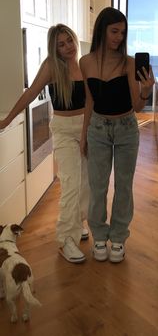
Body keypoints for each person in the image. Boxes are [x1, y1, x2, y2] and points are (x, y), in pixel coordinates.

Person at [0, 24, 90, 264]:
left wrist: (90, 131)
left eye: (69, 40)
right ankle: (65, 240)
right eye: (61, 44)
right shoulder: (52, 67)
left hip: (86, 127)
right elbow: (30, 94)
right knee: (71, 182)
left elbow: (92, 100)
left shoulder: (83, 64)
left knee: (87, 182)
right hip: (63, 129)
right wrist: (7, 120)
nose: (67, 47)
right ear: (54, 48)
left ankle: (78, 221)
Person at [80, 7, 154, 263]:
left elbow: (137, 106)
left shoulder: (130, 63)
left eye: (122, 32)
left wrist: (146, 90)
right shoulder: (85, 62)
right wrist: (84, 135)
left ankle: (119, 238)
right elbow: (90, 101)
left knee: (124, 186)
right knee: (97, 186)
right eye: (114, 31)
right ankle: (99, 236)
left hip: (126, 129)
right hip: (98, 129)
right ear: (101, 30)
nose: (119, 37)